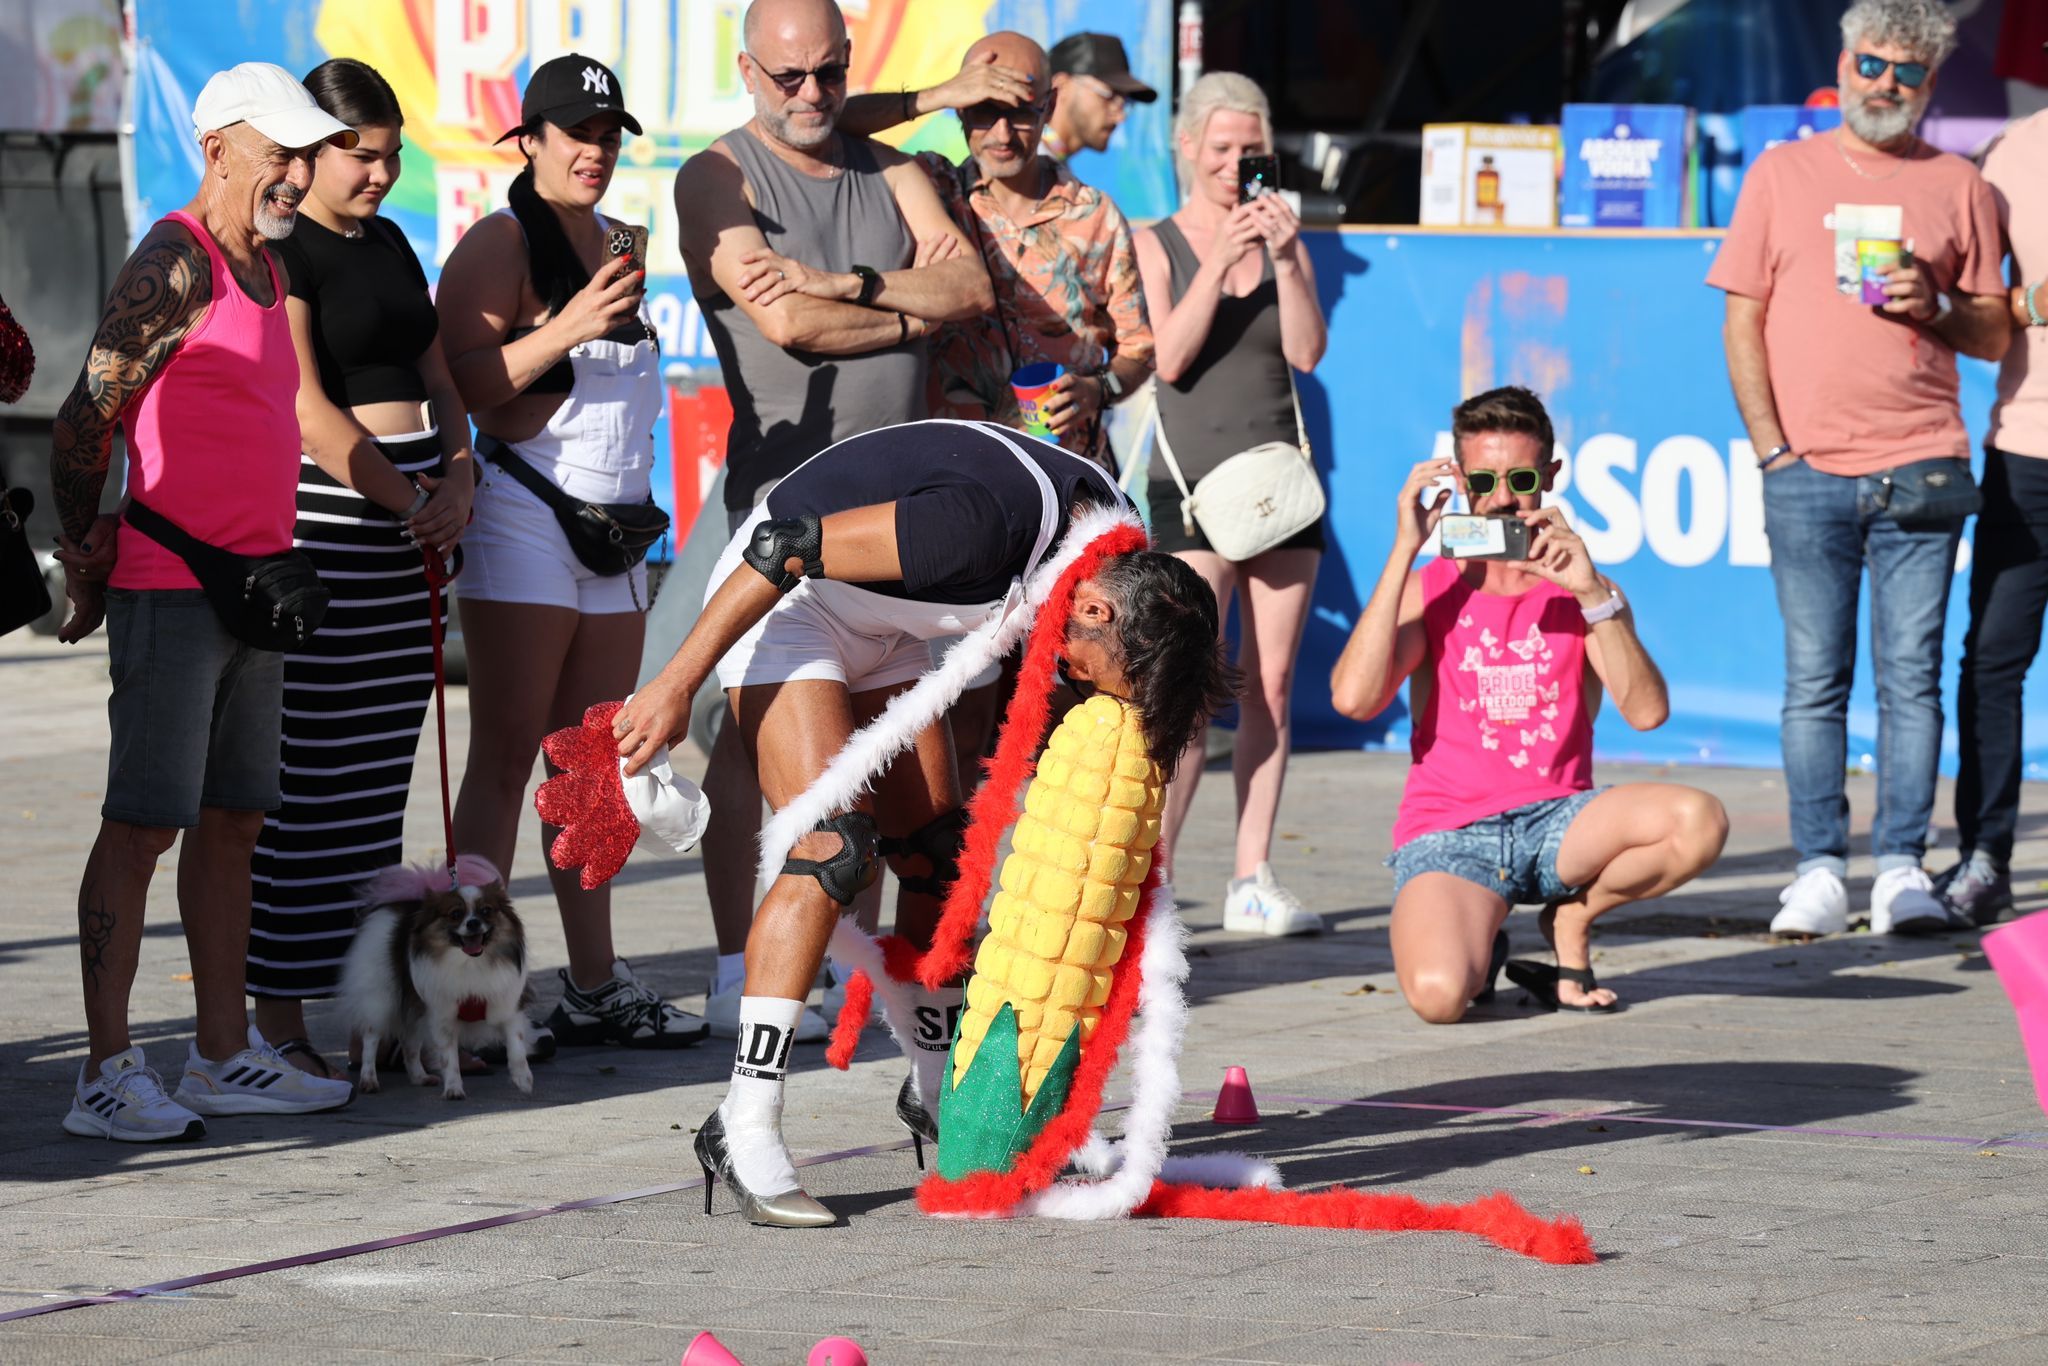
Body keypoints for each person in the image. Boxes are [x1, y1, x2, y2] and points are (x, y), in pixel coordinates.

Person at [610, 418, 1237, 1226]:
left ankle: (938, 1092)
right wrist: (671, 685)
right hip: (787, 601)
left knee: (941, 860)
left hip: (887, 623)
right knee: (835, 852)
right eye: (1087, 672)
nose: (1074, 679)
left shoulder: (1121, 557)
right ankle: (744, 1121)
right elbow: (781, 542)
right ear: (1092, 609)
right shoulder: (973, 531)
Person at [48, 62, 359, 1139]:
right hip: (169, 587)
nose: (295, 170)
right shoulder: (173, 260)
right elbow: (85, 416)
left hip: (256, 590)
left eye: (302, 151)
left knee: (235, 821)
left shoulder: (267, 267)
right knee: (143, 827)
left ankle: (222, 1053)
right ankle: (103, 1070)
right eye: (278, 150)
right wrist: (85, 551)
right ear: (219, 144)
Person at [673, 0, 992, 1039]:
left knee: (892, 747)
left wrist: (851, 283)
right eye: (787, 77)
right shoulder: (715, 175)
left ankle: (854, 973)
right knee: (750, 743)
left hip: (898, 513)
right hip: (784, 501)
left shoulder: (891, 167)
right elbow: (785, 320)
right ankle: (737, 964)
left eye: (829, 74)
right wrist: (907, 311)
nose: (811, 95)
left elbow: (972, 284)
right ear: (746, 72)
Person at [1708, 0, 2008, 937]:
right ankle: (1817, 869)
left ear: (1930, 83)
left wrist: (1940, 305)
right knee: (1812, 680)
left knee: (1910, 679)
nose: (1884, 85)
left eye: (1906, 73)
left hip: (1920, 464)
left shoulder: (1961, 183)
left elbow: (1996, 331)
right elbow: (1742, 318)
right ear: (1843, 63)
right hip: (1805, 469)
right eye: (1871, 64)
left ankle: (1902, 871)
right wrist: (1771, 447)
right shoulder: (1780, 170)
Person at [436, 54, 709, 1052]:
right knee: (508, 754)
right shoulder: (498, 241)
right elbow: (460, 385)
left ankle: (592, 982)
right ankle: (464, 994)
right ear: (530, 140)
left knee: (596, 760)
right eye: (575, 133)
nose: (594, 152)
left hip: (615, 526)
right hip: (521, 517)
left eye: (607, 135)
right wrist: (569, 328)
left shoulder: (617, 239)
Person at [1330, 387, 1729, 1023]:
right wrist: (1405, 548)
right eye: (1484, 480)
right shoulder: (1431, 585)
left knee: (1699, 819)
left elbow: (1648, 712)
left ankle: (1571, 918)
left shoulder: (1586, 589)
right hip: (1451, 832)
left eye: (1521, 478)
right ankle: (1481, 940)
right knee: (1439, 998)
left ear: (1549, 477)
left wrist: (1592, 590)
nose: (1503, 498)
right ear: (1458, 481)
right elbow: (1353, 698)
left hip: (1560, 825)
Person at [242, 58, 476, 1077]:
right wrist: (410, 498)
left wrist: (460, 473)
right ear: (307, 147)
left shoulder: (387, 240)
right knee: (308, 784)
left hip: (414, 533)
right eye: (358, 154)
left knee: (378, 784)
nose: (378, 175)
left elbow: (437, 375)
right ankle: (278, 1020)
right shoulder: (286, 252)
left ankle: (370, 1005)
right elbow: (307, 411)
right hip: (336, 532)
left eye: (390, 155)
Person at [1136, 73, 1328, 936]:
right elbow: (1169, 358)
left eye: (1250, 152)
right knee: (1185, 686)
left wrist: (1285, 259)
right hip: (1189, 486)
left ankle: (1252, 873)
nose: (1235, 166)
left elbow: (1308, 350)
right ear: (1186, 147)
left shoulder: (1286, 238)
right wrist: (1217, 257)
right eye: (1220, 150)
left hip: (1277, 485)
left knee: (1273, 685)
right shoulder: (1155, 241)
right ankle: (1158, 884)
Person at [843, 32, 1156, 471]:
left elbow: (1139, 352)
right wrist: (938, 94)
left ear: (1048, 106)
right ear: (962, 110)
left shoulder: (1096, 216)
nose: (1002, 134)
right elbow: (832, 125)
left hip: (1068, 476)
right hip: (955, 474)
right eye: (984, 111)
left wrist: (1096, 389)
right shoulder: (933, 189)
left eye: (1020, 113)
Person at [1941, 107, 2048, 927]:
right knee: (1993, 660)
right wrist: (2029, 303)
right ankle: (1985, 856)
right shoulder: (2009, 150)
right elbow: (1974, 314)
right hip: (2027, 447)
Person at [1042, 33, 1156, 164]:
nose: (1120, 117)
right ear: (1061, 87)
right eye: (1109, 96)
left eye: (1125, 102)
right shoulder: (1026, 168)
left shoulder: (1051, 162)